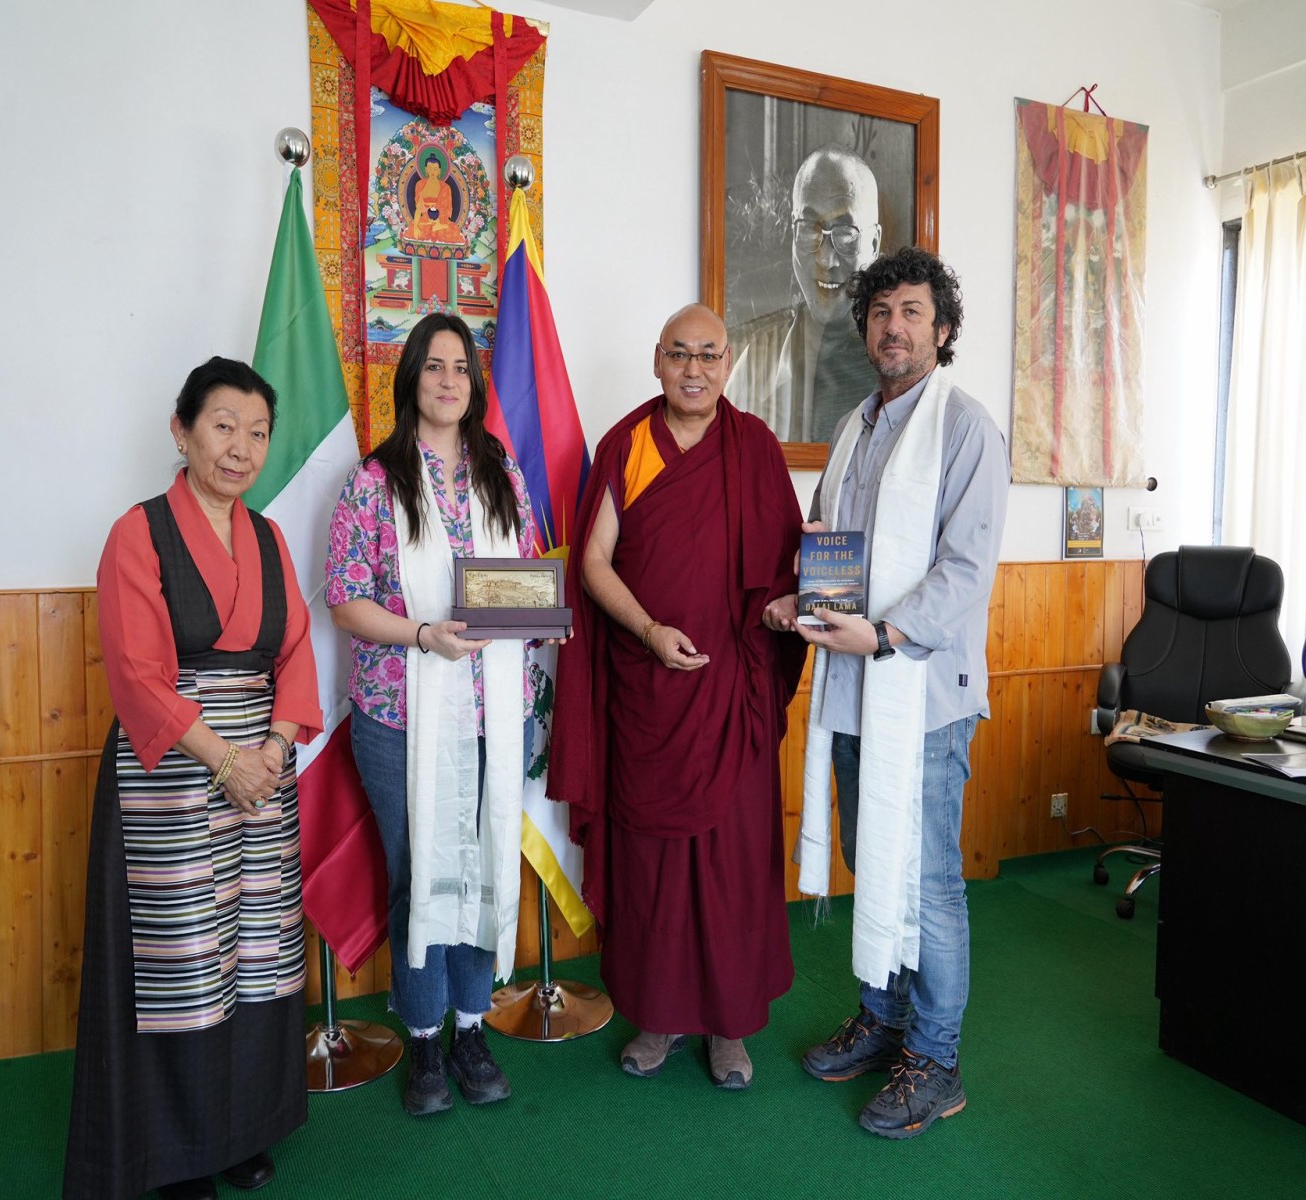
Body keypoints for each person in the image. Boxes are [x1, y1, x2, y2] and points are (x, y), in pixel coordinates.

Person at [764, 246, 1009, 1139]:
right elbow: (837, 547)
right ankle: (885, 1017)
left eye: (911, 311)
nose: (893, 326)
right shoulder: (854, 427)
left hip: (922, 693)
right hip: (854, 686)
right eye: (880, 312)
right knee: (876, 857)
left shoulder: (966, 427)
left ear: (941, 330)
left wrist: (888, 635)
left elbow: (965, 570)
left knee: (931, 882)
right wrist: (807, 598)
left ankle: (935, 1061)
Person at [64, 357, 325, 1200]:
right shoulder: (136, 533)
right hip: (173, 779)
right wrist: (226, 759)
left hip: (262, 776)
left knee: (256, 959)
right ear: (181, 432)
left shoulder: (271, 537)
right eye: (222, 426)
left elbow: (294, 654)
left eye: (256, 432)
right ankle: (170, 1154)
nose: (240, 448)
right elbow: (138, 674)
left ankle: (239, 1131)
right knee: (182, 962)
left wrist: (276, 751)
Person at [551, 303, 805, 1090]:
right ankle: (658, 1016)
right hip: (649, 689)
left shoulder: (755, 447)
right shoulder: (625, 446)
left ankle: (729, 1028)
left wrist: (779, 607)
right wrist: (651, 631)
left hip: (731, 692)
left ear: (729, 364)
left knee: (731, 864)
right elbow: (593, 563)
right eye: (679, 355)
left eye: (709, 356)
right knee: (654, 868)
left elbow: (790, 568)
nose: (694, 370)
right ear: (655, 361)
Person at [325, 312, 543, 1116]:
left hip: (495, 710)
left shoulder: (502, 475)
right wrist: (423, 635)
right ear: (410, 379)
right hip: (400, 714)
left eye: (462, 367)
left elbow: (523, 581)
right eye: (434, 367)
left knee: (483, 858)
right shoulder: (373, 482)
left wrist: (528, 608)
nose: (450, 380)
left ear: (474, 383)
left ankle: (472, 1026)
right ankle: (422, 1038)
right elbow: (346, 602)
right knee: (419, 869)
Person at [728, 148, 884, 444]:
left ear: (874, 243)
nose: (825, 261)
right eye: (809, 231)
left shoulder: (899, 372)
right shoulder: (753, 372)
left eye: (846, 233)